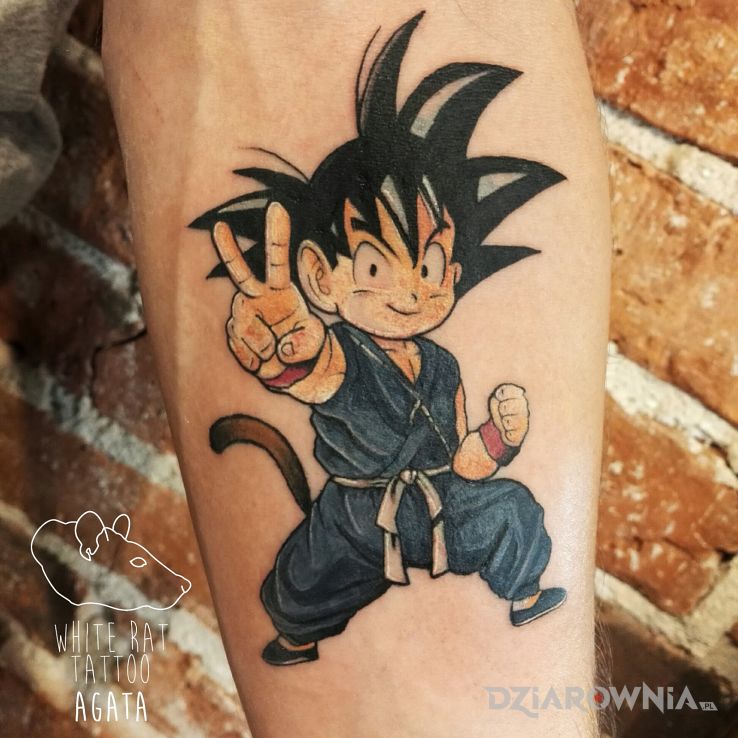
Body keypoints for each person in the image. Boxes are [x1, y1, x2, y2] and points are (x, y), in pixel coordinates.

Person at [103, 2, 611, 735]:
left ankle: (524, 591)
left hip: (442, 499)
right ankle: (298, 632)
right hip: (360, 513)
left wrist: (499, 439)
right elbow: (317, 371)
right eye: (377, 266)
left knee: (510, 512)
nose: (412, 290)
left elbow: (464, 460)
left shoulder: (441, 364)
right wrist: (289, 346)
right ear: (322, 276)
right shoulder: (345, 352)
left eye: (429, 265)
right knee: (307, 579)